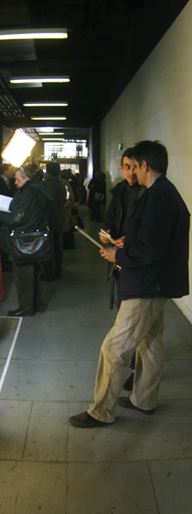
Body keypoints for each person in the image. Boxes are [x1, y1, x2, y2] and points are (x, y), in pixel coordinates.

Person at [69, 140, 190, 428]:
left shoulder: (156, 195)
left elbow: (151, 250)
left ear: (144, 165)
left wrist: (118, 253)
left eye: (134, 165)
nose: (132, 171)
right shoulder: (165, 191)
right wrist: (126, 241)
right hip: (159, 284)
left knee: (114, 348)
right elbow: (154, 240)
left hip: (147, 286)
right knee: (150, 343)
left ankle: (101, 411)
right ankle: (143, 399)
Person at [99, 149, 144, 390]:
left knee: (135, 321)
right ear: (121, 167)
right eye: (127, 166)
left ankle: (135, 368)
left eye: (135, 166)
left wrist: (130, 240)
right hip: (119, 261)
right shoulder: (117, 193)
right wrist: (106, 235)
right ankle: (132, 365)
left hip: (137, 261)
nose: (131, 171)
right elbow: (109, 221)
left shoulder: (148, 193)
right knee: (122, 311)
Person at [0, 164, 54, 317]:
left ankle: (26, 308)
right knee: (33, 273)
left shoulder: (28, 193)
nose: (15, 183)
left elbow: (15, 219)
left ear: (27, 178)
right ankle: (37, 304)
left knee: (23, 275)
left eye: (18, 180)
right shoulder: (39, 188)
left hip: (23, 240)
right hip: (34, 237)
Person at [41, 162, 66, 280]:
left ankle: (49, 273)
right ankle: (59, 270)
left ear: (48, 172)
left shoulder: (45, 186)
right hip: (59, 220)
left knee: (48, 248)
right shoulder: (62, 186)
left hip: (48, 221)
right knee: (58, 247)